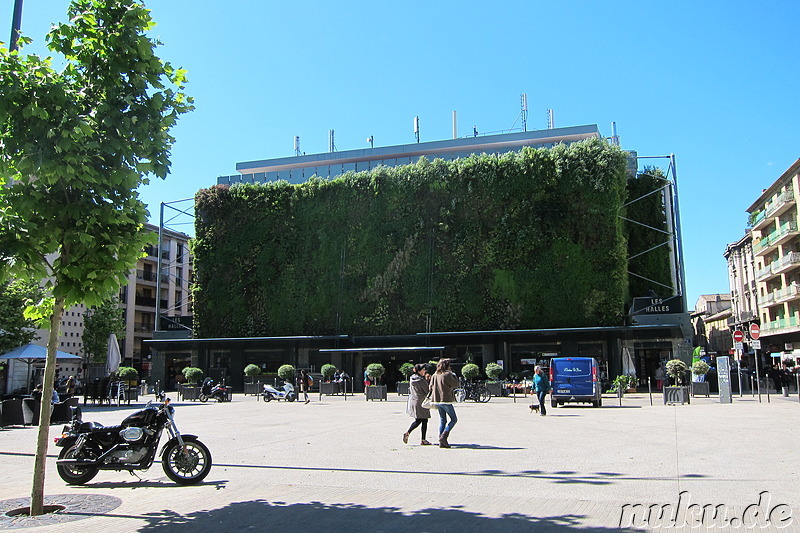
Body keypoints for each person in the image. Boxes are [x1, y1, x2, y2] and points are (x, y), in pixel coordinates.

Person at [428, 358, 460, 448]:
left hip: (437, 400)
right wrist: (454, 375)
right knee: (454, 419)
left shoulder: (435, 375)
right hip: (446, 399)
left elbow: (430, 387)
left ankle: (441, 439)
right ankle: (444, 437)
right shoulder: (447, 374)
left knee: (443, 420)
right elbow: (455, 384)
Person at [403, 364, 432, 445]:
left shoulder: (412, 378)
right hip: (422, 401)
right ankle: (422, 439)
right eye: (423, 370)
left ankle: (411, 434)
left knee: (420, 420)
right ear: (419, 371)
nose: (425, 371)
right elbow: (427, 390)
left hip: (414, 400)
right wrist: (428, 382)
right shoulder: (421, 380)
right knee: (423, 420)